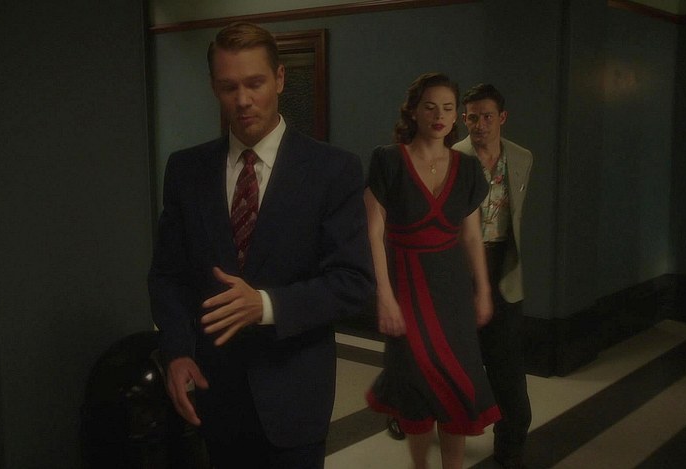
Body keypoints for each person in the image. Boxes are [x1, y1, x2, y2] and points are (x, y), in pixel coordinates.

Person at [147, 22, 373, 469]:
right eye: (228, 87)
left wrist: (266, 306)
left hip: (294, 395)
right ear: (214, 87)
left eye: (255, 83)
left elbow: (353, 282)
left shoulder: (333, 170)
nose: (243, 100)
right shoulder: (187, 171)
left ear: (280, 79)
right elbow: (169, 275)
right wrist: (176, 351)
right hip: (215, 393)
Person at [364, 72, 501, 469]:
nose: (439, 116)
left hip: (452, 291)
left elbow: (472, 237)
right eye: (430, 107)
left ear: (456, 115)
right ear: (413, 111)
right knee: (416, 385)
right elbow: (372, 232)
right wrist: (384, 295)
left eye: (447, 108)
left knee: (457, 384)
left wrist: (483, 291)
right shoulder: (388, 160)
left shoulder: (467, 168)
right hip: (406, 286)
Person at [453, 83, 533, 469]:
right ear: (464, 119)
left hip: (503, 267)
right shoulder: (452, 158)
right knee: (447, 360)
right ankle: (411, 412)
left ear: (502, 118)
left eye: (487, 117)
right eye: (472, 117)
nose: (479, 125)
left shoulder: (521, 158)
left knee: (508, 366)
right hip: (458, 268)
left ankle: (510, 447)